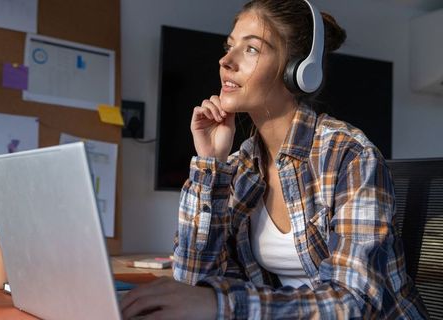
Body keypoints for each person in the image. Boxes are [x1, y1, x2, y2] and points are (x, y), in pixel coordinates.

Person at [121, 0, 428, 318]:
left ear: (298, 71)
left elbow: (355, 302)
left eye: (251, 49)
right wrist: (211, 164)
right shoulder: (242, 166)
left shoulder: (348, 155)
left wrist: (221, 304)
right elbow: (191, 281)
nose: (226, 60)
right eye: (229, 46)